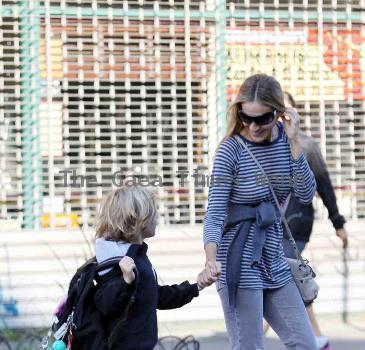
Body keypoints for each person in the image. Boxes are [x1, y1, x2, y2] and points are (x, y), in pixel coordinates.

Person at [202, 74, 317, 350]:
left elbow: (304, 194)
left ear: (279, 113)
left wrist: (295, 143)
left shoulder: (285, 142)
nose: (253, 126)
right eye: (246, 117)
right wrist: (210, 259)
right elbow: (215, 213)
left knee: (305, 344)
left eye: (262, 119)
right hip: (238, 259)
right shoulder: (230, 151)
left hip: (274, 258)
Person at [94, 185, 216, 350]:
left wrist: (196, 287)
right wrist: (125, 281)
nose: (157, 217)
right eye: (153, 213)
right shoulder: (118, 258)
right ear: (137, 219)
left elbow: (156, 296)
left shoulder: (137, 255)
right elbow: (105, 304)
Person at [277, 91, 348, 350]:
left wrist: (338, 223)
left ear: (295, 113)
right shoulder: (265, 145)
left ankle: (314, 339)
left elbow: (324, 186)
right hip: (270, 225)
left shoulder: (307, 145)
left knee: (282, 276)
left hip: (296, 223)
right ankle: (316, 340)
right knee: (282, 280)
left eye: (286, 109)